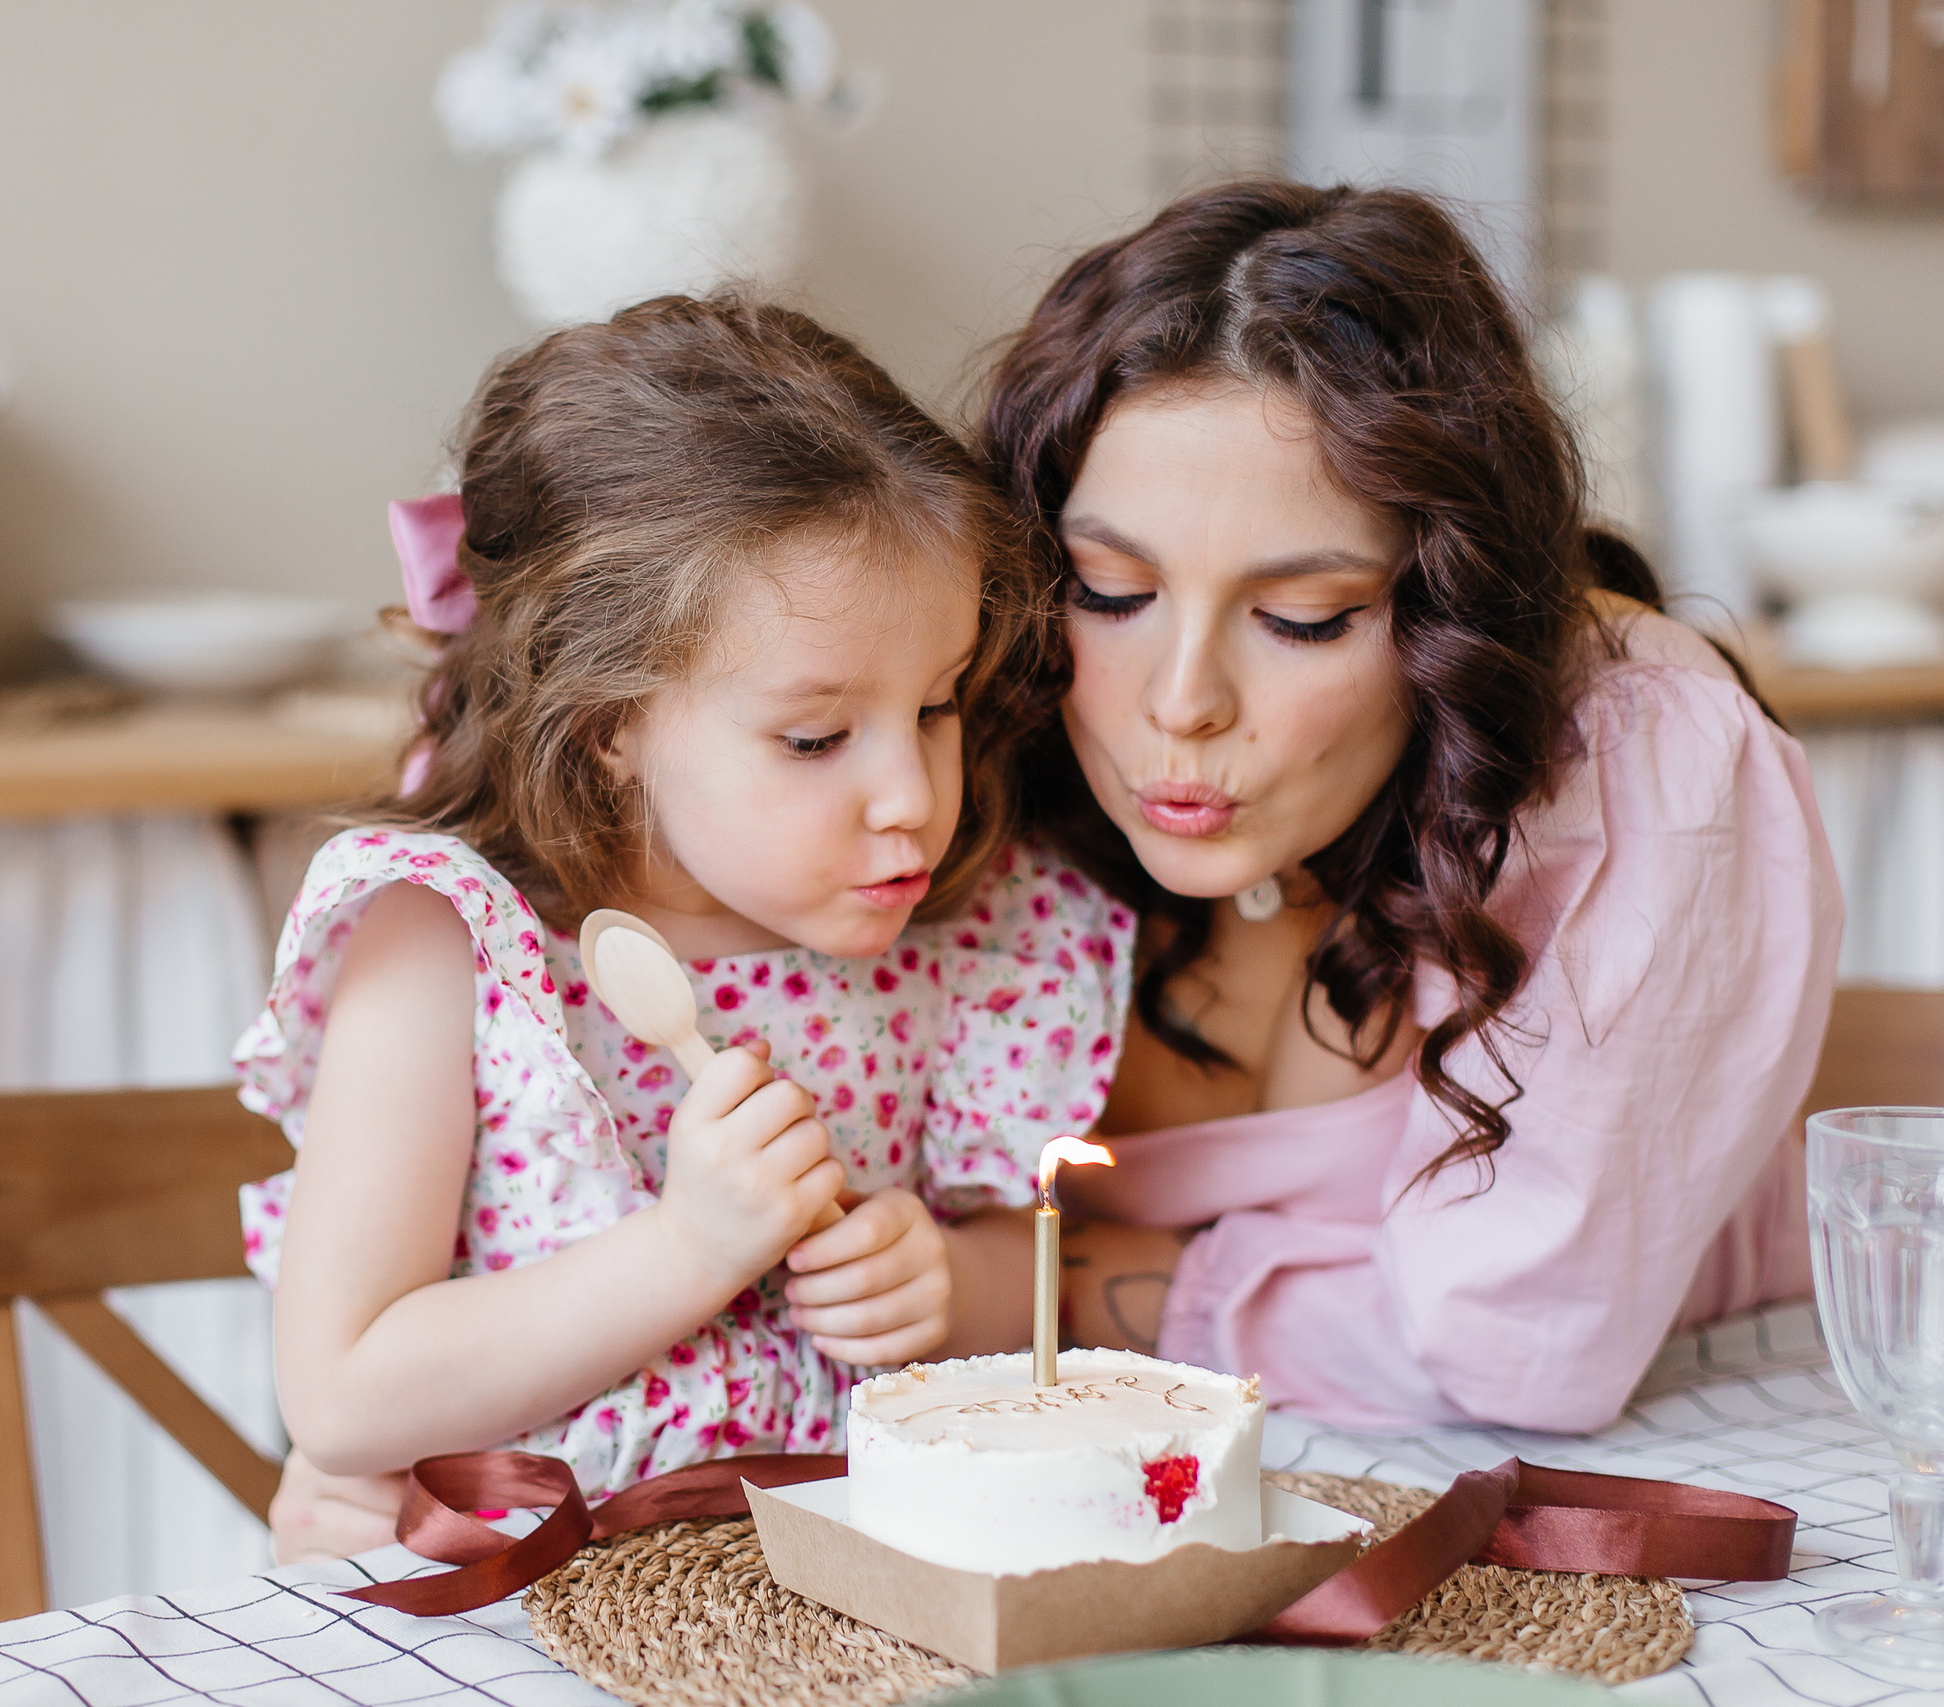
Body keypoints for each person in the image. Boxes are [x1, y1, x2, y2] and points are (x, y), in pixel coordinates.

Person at [245, 294, 1131, 1560]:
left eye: (937, 706)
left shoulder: (971, 940)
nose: (916, 799)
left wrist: (946, 1283)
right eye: (816, 737)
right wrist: (687, 1247)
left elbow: (1031, 1268)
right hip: (526, 1601)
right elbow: (341, 1399)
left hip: (860, 1591)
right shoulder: (455, 950)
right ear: (608, 722)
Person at [978, 180, 1842, 1433]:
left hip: (1702, 1453)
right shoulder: (968, 725)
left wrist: (1041, 1292)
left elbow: (1510, 1357)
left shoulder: (1640, 758)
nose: (1179, 704)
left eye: (1302, 620)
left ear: (1450, 608)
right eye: (1111, 591)